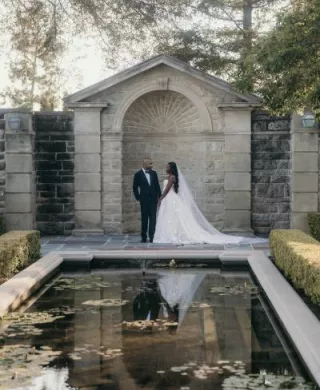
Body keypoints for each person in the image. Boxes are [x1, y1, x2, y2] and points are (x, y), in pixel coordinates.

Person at [154, 162, 266, 245]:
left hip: (170, 198)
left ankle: (174, 234)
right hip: (170, 199)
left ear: (171, 168)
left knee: (173, 217)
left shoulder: (172, 177)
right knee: (171, 218)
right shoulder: (170, 177)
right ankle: (172, 233)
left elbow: (168, 189)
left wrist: (161, 198)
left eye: (167, 167)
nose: (166, 168)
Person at [133, 158, 162, 243]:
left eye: (152, 163)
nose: (152, 165)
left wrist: (159, 197)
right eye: (150, 164)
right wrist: (138, 197)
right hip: (144, 200)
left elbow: (157, 186)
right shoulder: (138, 174)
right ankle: (144, 237)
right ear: (144, 164)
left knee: (153, 218)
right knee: (144, 219)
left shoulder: (154, 173)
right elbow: (135, 187)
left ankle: (152, 237)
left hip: (153, 200)